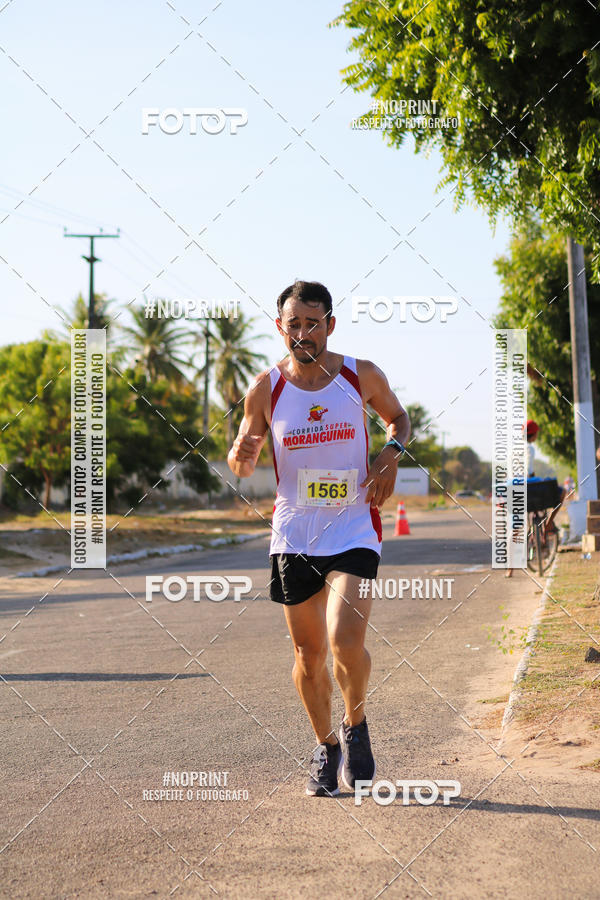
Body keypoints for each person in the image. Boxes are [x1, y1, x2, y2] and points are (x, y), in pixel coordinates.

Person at [228, 280, 410, 797]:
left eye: (313, 323)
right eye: (293, 323)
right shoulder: (266, 387)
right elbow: (244, 458)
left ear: (330, 325)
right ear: (280, 327)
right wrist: (241, 454)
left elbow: (400, 419)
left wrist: (389, 453)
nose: (303, 333)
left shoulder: (360, 375)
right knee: (308, 655)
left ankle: (356, 728)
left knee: (343, 640)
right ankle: (326, 745)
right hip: (294, 532)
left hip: (353, 523)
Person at [526, 419, 565, 536]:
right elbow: (529, 470)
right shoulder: (529, 448)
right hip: (526, 486)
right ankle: (548, 524)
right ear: (533, 434)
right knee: (562, 492)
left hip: (514, 487)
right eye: (537, 433)